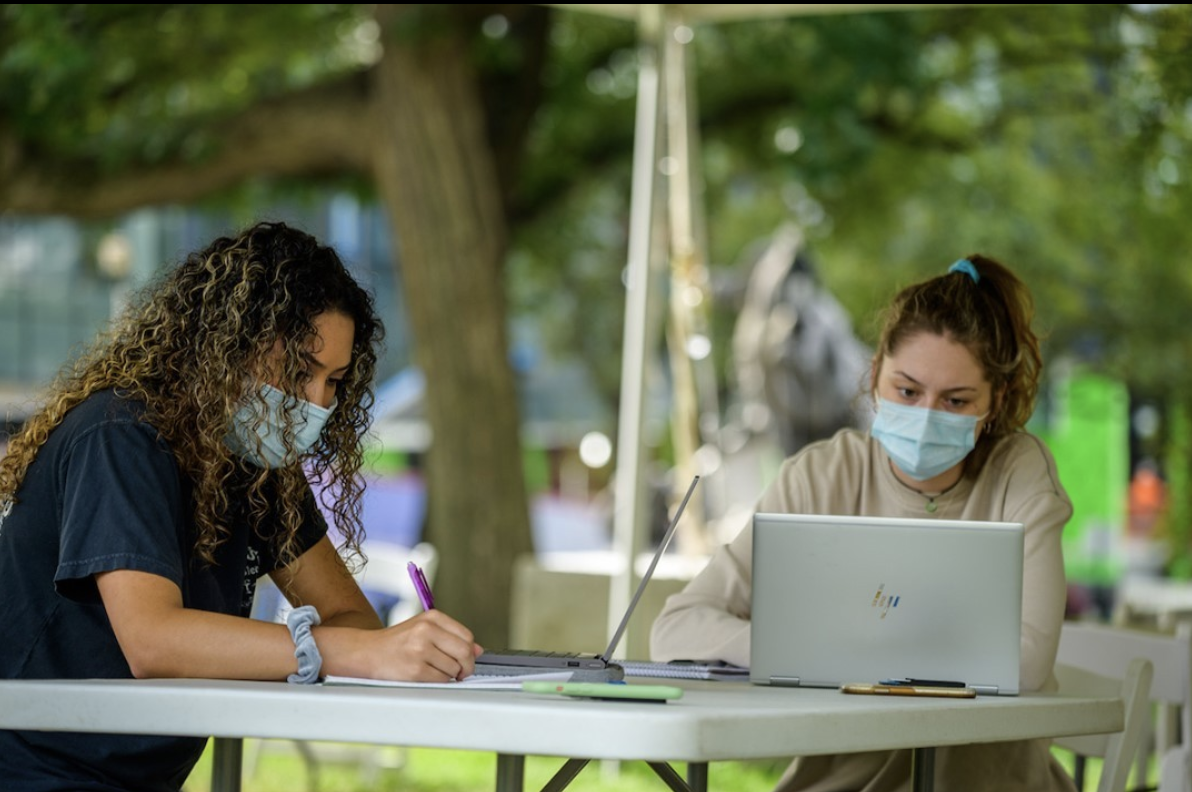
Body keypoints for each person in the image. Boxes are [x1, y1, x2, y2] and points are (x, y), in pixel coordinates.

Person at [0, 221, 482, 792]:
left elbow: (351, 619)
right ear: (226, 345)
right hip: (32, 768)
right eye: (301, 372)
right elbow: (154, 641)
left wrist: (361, 648)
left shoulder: (256, 464)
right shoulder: (119, 434)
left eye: (335, 381)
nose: (318, 402)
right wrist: (349, 652)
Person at [651, 255, 1077, 792]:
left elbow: (1028, 662)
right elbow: (676, 628)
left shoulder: (1018, 473)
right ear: (875, 375)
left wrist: (825, 651)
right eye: (907, 390)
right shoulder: (821, 475)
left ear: (993, 404)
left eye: (956, 400)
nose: (926, 416)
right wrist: (809, 648)